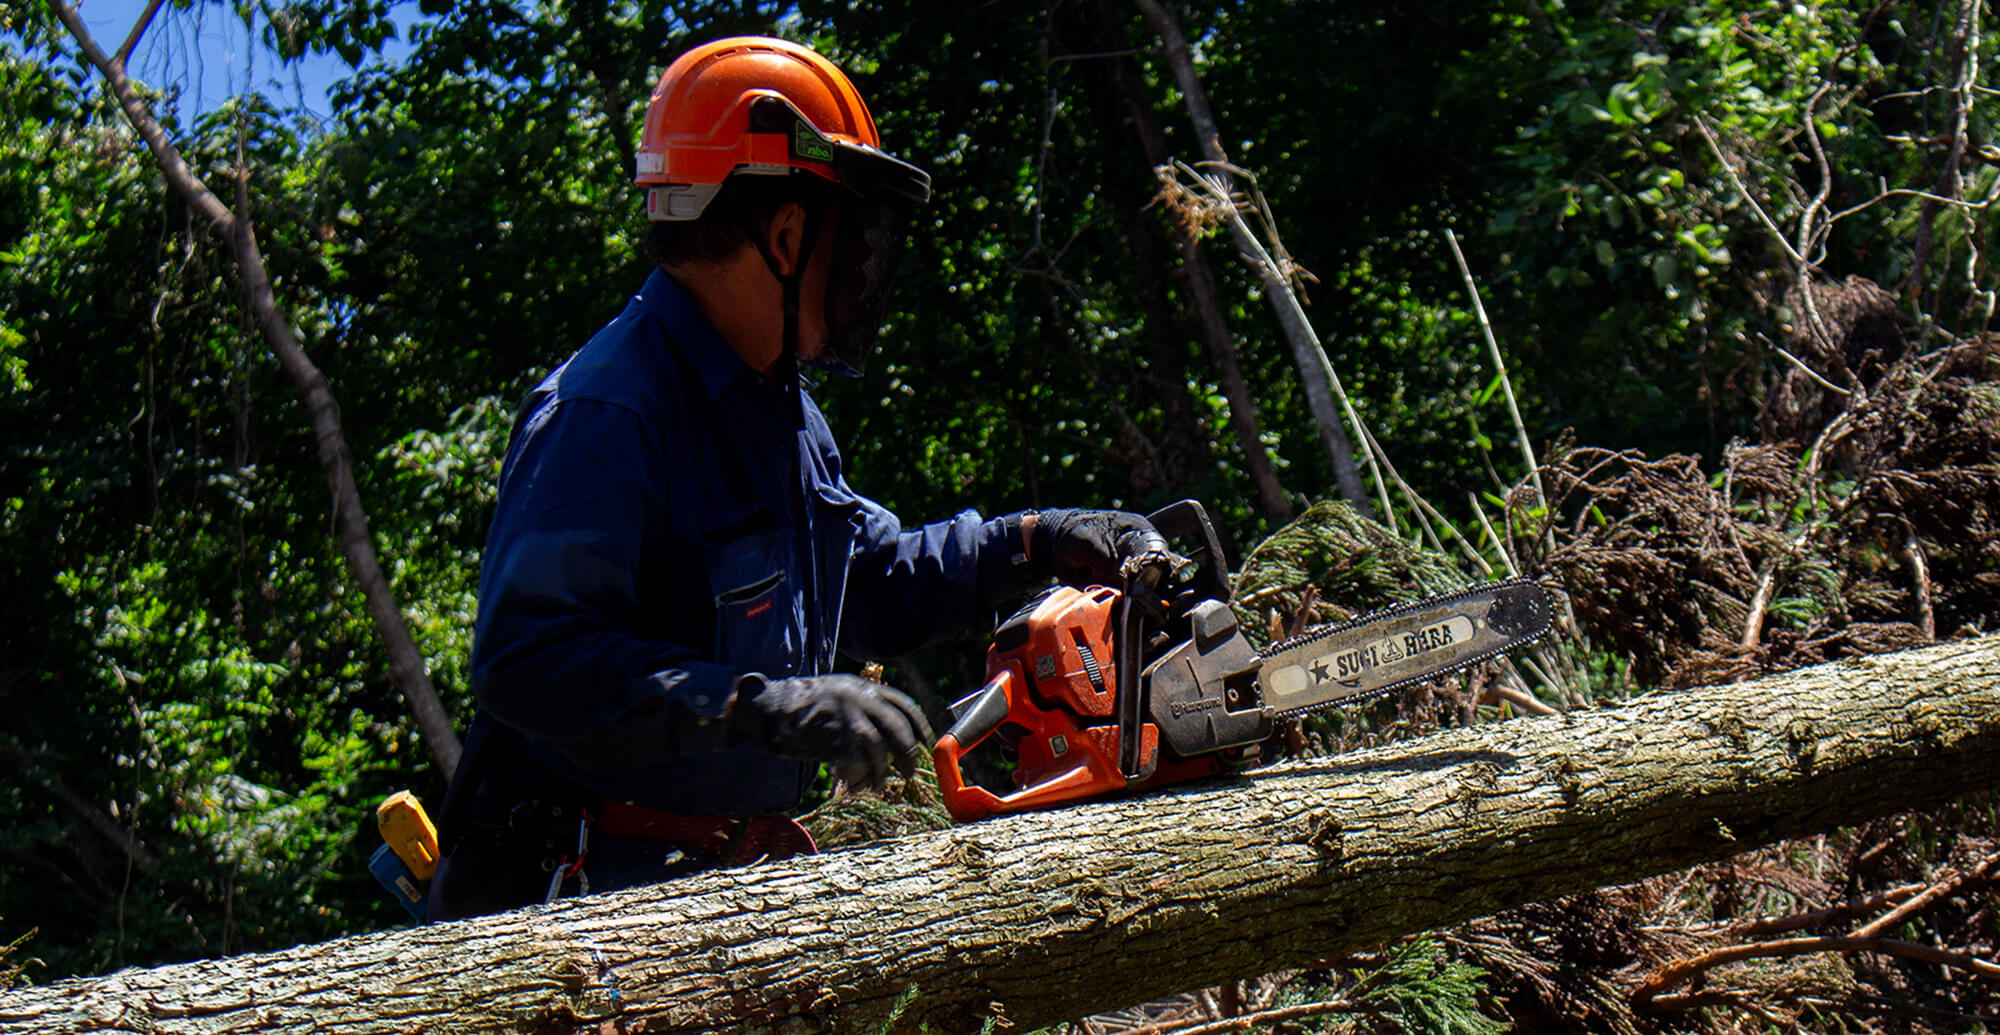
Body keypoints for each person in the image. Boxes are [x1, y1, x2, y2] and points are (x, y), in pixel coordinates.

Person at [426, 35, 1162, 921]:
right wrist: (762, 707)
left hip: (720, 886)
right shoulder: (608, 411)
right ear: (784, 234)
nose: (863, 268)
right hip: (582, 906)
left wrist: (1036, 539)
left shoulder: (777, 407)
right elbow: (528, 662)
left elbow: (867, 577)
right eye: (852, 236)